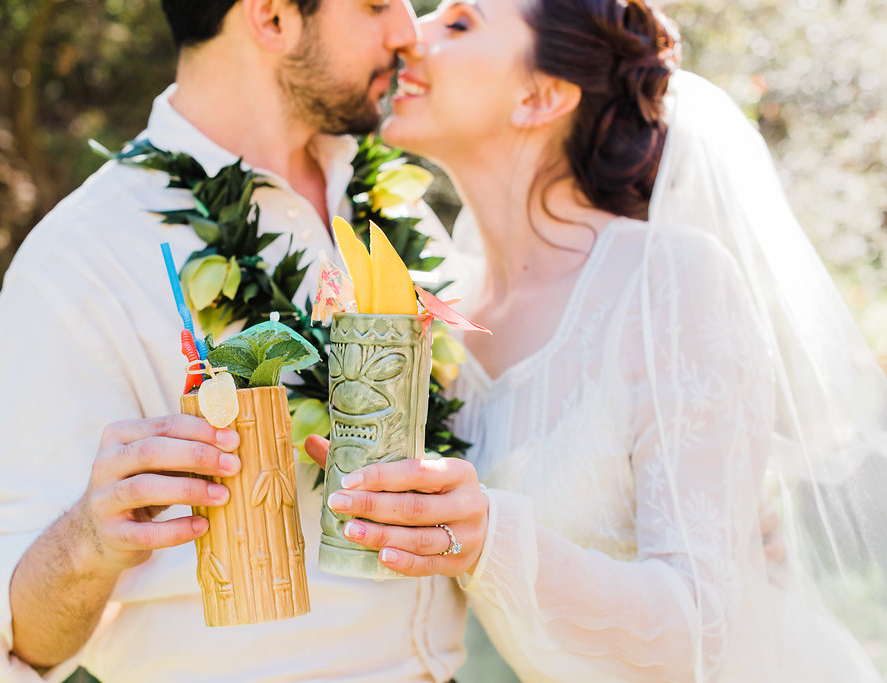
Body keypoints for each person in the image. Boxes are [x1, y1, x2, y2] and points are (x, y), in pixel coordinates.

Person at [305, 0, 887, 680]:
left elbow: (708, 629)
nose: (410, 32)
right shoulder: (438, 313)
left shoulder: (669, 283)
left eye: (459, 23)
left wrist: (490, 536)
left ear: (541, 95)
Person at [0, 1, 469, 682]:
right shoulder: (80, 264)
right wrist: (90, 538)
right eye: (373, 5)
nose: (406, 29)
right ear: (274, 17)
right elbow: (10, 641)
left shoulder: (393, 203)